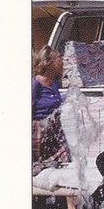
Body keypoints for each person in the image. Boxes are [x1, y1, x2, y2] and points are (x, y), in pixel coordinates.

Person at [32, 45, 69, 173]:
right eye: (59, 58)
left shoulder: (53, 84)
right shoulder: (35, 84)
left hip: (55, 129)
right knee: (40, 167)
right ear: (49, 63)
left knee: (64, 162)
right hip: (39, 131)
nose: (62, 61)